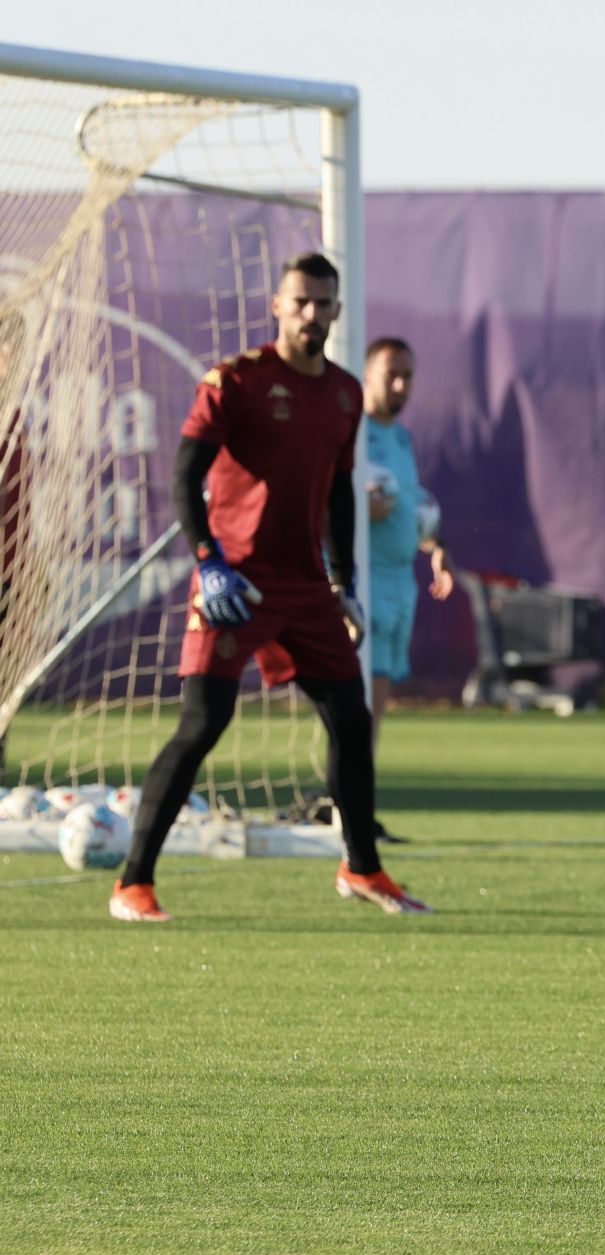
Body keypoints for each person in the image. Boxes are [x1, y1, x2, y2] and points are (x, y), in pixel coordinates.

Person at [107, 253, 430, 922]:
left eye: (324, 303)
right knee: (204, 722)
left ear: (338, 312)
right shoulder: (236, 381)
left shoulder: (345, 395)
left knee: (350, 716)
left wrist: (344, 582)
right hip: (236, 582)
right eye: (301, 301)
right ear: (278, 307)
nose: (313, 313)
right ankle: (133, 883)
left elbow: (340, 494)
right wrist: (208, 561)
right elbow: (183, 472)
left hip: (308, 587)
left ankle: (361, 866)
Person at [361, 336, 455, 842]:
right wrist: (357, 505)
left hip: (401, 584)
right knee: (361, 706)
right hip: (362, 581)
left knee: (375, 706)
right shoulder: (352, 433)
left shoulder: (399, 439)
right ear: (366, 372)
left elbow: (408, 511)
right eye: (390, 373)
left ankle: (351, 808)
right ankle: (349, 813)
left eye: (407, 375)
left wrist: (434, 544)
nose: (400, 384)